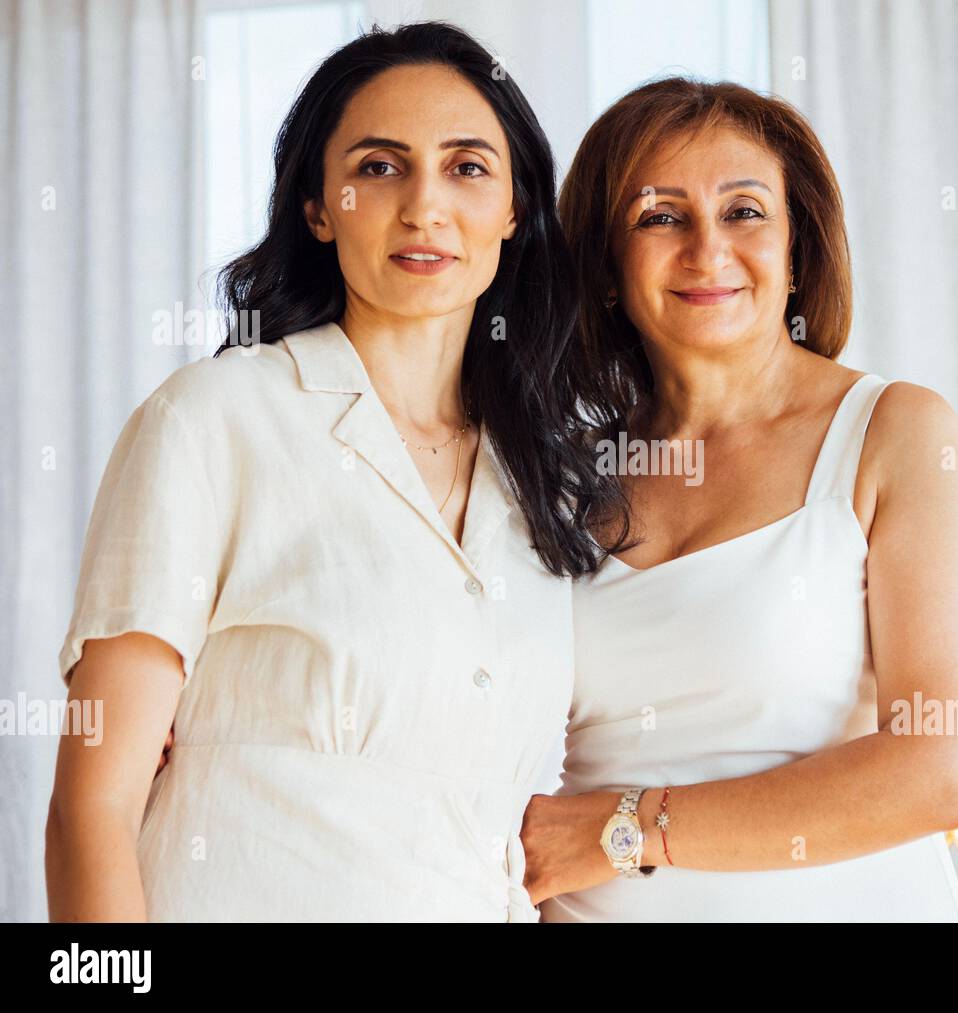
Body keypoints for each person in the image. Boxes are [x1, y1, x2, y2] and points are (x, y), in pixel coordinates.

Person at [45, 21, 624, 922]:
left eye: (467, 167)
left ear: (514, 210)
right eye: (379, 166)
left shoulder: (546, 483)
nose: (424, 206)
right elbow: (92, 810)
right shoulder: (213, 420)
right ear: (318, 206)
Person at [523, 78, 958, 921]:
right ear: (603, 266)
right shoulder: (560, 472)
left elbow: (940, 770)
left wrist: (620, 829)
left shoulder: (895, 434)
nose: (708, 249)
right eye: (660, 216)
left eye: (744, 211)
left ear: (797, 251)